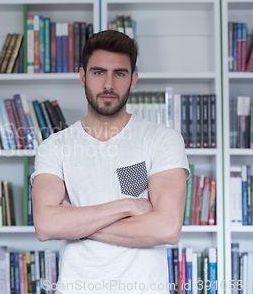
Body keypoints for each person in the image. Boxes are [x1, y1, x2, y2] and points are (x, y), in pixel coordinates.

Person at [31, 30, 189, 293]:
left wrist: (75, 224)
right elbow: (46, 225)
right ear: (83, 77)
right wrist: (127, 206)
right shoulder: (54, 147)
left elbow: (167, 228)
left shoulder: (162, 140)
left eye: (119, 73)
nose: (108, 84)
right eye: (98, 72)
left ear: (133, 80)